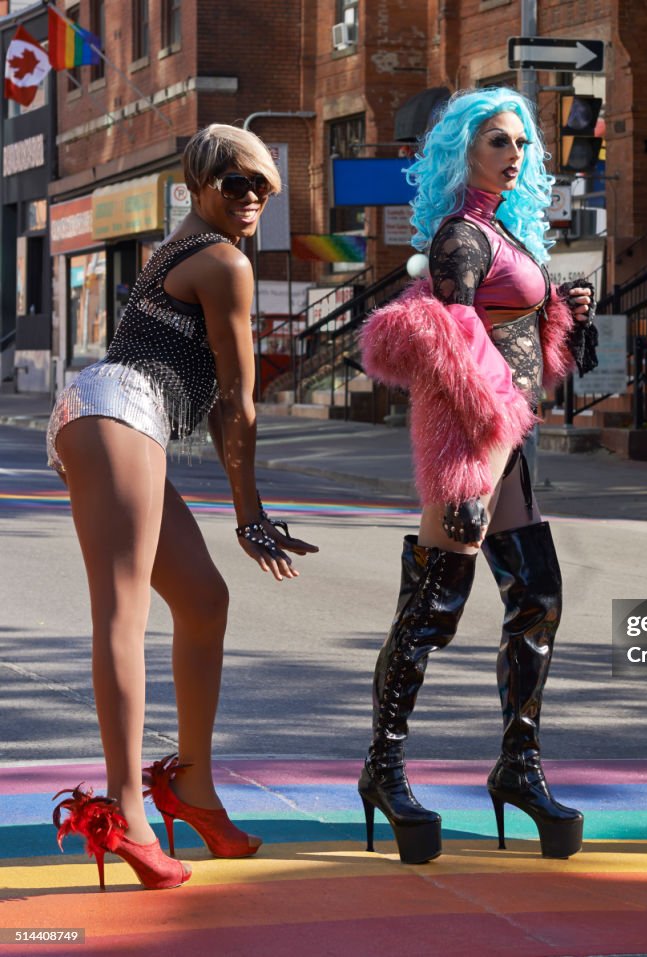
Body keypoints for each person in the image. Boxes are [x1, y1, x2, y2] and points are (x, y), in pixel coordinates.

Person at [49, 124, 317, 890]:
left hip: (117, 417)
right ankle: (128, 813)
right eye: (235, 184)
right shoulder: (223, 260)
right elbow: (238, 399)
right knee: (122, 613)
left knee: (203, 600)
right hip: (118, 416)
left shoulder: (187, 245)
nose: (251, 199)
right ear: (198, 185)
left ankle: (189, 789)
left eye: (264, 187)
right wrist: (249, 511)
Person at [357, 87, 596, 864]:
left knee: (539, 598)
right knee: (434, 604)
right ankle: (384, 768)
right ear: (462, 149)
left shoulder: (502, 231)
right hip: (471, 437)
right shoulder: (463, 235)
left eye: (522, 143)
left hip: (508, 437)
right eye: (498, 141)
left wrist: (565, 311)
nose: (515, 154)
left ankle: (518, 765)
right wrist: (487, 459)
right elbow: (462, 354)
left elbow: (523, 342)